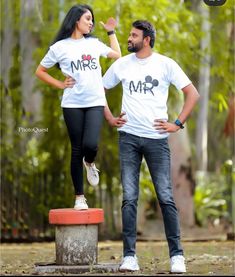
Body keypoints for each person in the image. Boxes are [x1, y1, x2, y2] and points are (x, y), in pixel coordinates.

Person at [103, 20, 200, 273]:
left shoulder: (165, 64)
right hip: (128, 138)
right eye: (129, 34)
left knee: (166, 197)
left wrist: (177, 123)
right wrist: (110, 117)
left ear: (147, 39)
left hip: (157, 140)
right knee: (129, 199)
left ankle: (177, 256)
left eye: (134, 35)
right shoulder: (122, 64)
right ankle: (129, 257)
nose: (129, 38)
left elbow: (193, 94)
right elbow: (98, 88)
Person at [35, 4, 121, 210]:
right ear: (76, 21)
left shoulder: (94, 44)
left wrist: (111, 32)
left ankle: (90, 163)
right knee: (76, 149)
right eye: (88, 19)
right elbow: (40, 71)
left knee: (90, 146)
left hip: (95, 101)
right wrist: (60, 84)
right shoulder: (59, 47)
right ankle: (79, 198)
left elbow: (117, 55)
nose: (91, 22)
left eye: (92, 19)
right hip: (72, 103)